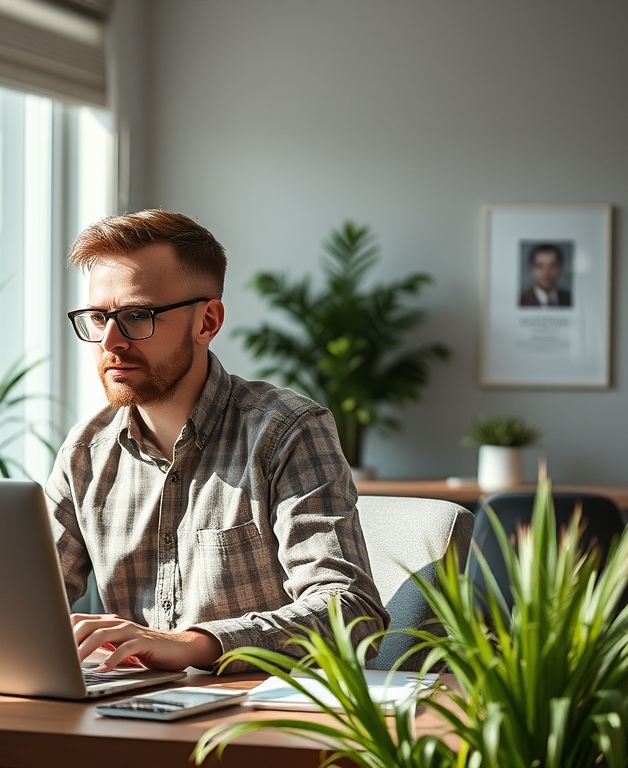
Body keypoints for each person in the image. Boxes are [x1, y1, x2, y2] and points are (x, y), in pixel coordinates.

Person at [45, 209, 389, 674]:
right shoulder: (85, 452)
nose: (110, 341)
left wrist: (193, 644)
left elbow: (351, 613)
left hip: (256, 721)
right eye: (97, 318)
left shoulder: (288, 432)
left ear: (207, 321)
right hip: (129, 714)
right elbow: (25, 602)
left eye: (136, 316)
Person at [519, 243, 571, 307]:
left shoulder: (569, 298)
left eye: (552, 266)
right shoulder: (520, 299)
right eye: (539, 266)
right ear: (531, 268)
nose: (546, 272)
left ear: (560, 268)